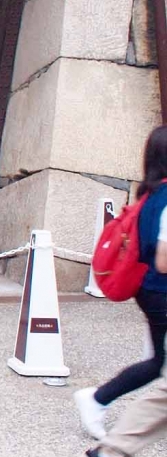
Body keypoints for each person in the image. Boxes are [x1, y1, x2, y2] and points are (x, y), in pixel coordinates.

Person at [75, 126, 167, 440]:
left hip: (150, 290)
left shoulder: (151, 194)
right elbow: (163, 260)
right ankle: (100, 404)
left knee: (158, 362)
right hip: (161, 291)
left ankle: (98, 401)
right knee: (159, 364)